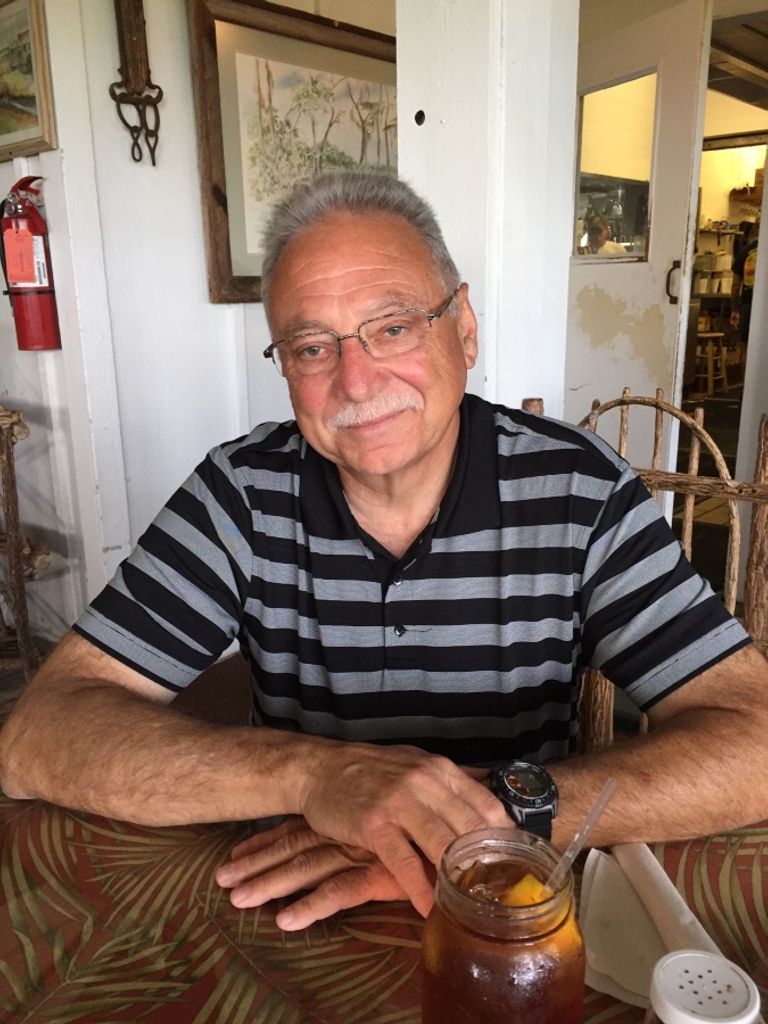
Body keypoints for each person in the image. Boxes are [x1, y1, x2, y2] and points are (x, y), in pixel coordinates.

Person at [2, 171, 767, 935]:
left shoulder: (576, 488)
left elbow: (755, 737)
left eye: (394, 327)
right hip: (292, 898)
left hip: (506, 895)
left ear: (464, 328)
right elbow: (37, 737)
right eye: (312, 347)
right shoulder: (243, 494)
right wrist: (318, 776)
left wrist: (474, 823)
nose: (357, 381)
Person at [730, 219, 759, 343]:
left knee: (746, 344)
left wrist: (734, 310)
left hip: (749, 304)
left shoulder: (744, 252)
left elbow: (736, 285)